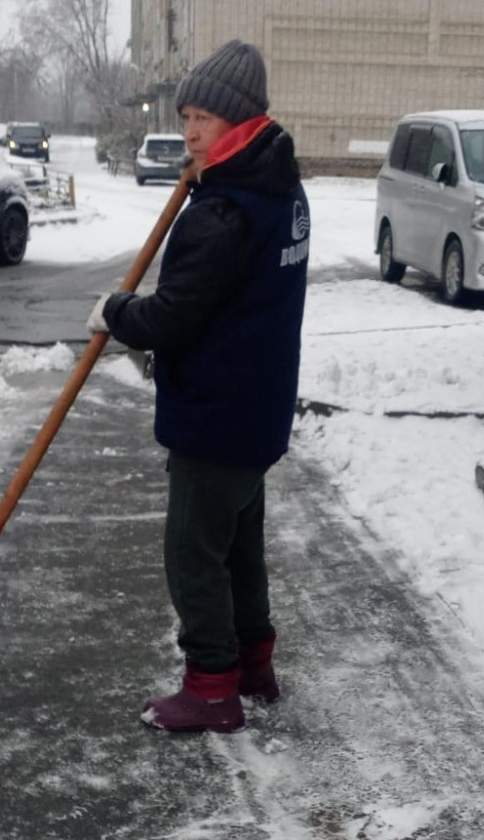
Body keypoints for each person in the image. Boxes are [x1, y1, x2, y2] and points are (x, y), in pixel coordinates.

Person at [86, 39, 309, 733]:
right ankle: (253, 667)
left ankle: (212, 687)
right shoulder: (281, 191)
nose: (189, 132)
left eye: (204, 118)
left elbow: (174, 319)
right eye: (186, 115)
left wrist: (115, 312)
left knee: (192, 553)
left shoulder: (221, 214)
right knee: (238, 549)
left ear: (240, 122)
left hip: (215, 416)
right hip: (257, 410)